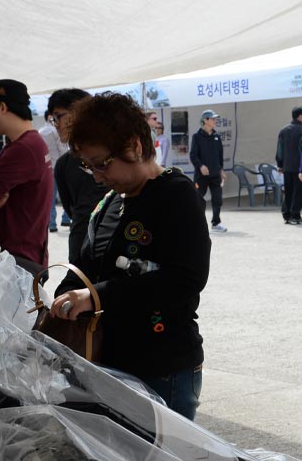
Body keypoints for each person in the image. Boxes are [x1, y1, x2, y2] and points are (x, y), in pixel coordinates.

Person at [51, 92, 211, 420]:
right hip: (111, 361)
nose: (96, 176)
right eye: (88, 167)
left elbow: (186, 278)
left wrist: (96, 295)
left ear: (135, 146)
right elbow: (86, 263)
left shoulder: (177, 195)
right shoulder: (111, 202)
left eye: (101, 164)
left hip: (162, 367)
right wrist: (67, 293)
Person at [0, 79, 54, 273]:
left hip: (17, 261)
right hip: (28, 255)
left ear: (1, 107)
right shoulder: (34, 143)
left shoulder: (23, 148)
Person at [48, 88, 108, 265]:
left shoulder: (114, 153)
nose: (56, 124)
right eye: (53, 119)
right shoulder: (63, 164)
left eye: (59, 116)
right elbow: (70, 209)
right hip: (80, 246)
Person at [190, 109, 228, 233]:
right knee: (198, 200)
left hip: (216, 175)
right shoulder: (197, 137)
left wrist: (221, 170)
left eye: (215, 118)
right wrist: (201, 166)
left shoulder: (217, 137)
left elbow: (220, 156)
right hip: (201, 176)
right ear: (205, 120)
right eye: (212, 118)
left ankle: (216, 223)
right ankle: (196, 224)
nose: (215, 120)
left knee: (218, 199)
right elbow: (193, 155)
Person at [276, 106, 302, 225]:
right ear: (300, 116)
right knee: (298, 191)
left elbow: (279, 149)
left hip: (286, 166)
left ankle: (286, 214)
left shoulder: (283, 130)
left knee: (288, 190)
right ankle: (295, 214)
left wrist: (280, 164)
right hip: (299, 167)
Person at [41, 111, 72, 232]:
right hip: (60, 167)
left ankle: (52, 224)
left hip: (47, 168)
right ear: (50, 117)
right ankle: (66, 218)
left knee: (51, 198)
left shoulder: (39, 132)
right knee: (67, 194)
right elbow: (63, 149)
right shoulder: (55, 131)